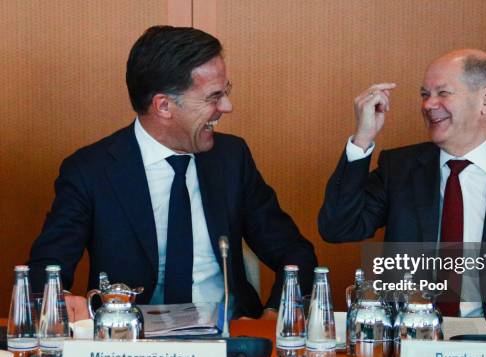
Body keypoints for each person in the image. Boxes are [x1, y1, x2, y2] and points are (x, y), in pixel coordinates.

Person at [28, 26, 317, 321]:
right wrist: (62, 302)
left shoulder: (231, 158)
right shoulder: (90, 170)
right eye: (213, 97)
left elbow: (295, 254)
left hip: (228, 340)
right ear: (164, 106)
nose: (227, 107)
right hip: (131, 347)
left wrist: (274, 315)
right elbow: (45, 272)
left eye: (225, 92)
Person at [319, 49, 486, 317]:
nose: (428, 105)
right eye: (425, 95)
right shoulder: (400, 168)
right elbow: (338, 228)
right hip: (412, 336)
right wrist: (362, 138)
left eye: (443, 93)